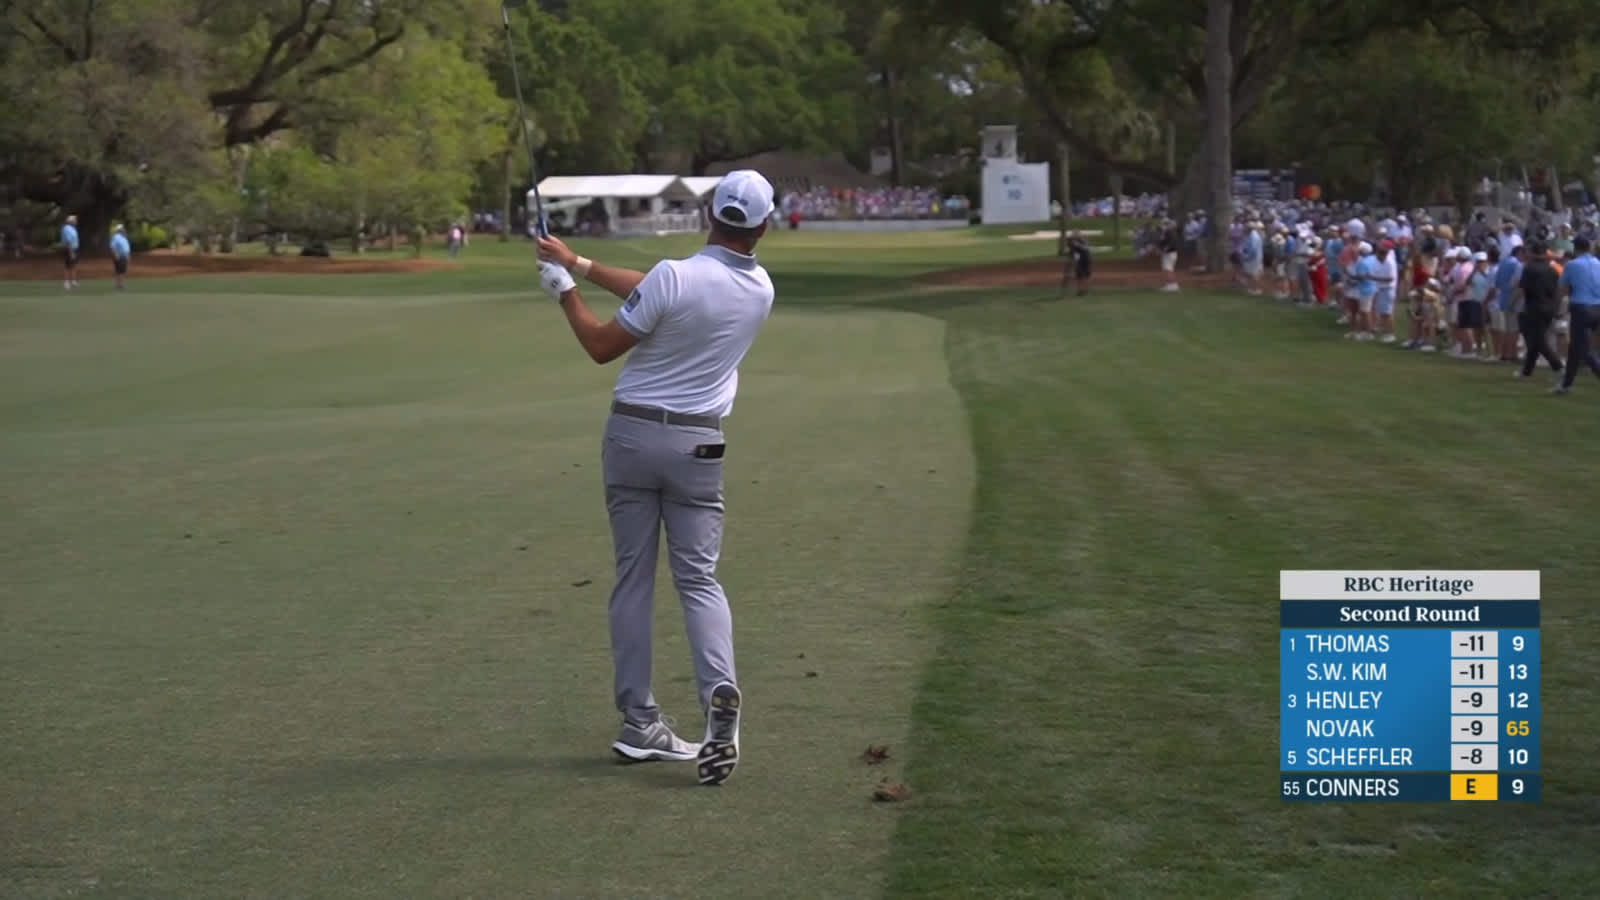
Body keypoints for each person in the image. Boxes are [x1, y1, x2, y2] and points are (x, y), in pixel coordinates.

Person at [531, 170, 776, 785]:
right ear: (764, 227)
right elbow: (657, 289)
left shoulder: (674, 276)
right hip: (699, 444)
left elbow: (601, 344)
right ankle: (720, 692)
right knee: (698, 579)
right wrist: (580, 261)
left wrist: (563, 288)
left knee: (634, 579)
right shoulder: (760, 289)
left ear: (708, 214)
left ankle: (639, 722)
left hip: (633, 439)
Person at [1553, 235, 1600, 393]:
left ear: (1575, 248)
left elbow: (1563, 289)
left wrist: (1557, 308)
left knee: (1582, 349)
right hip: (1597, 307)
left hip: (1581, 307)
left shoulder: (1572, 265)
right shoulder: (1597, 263)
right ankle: (1566, 384)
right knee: (1575, 347)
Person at [1515, 240, 1564, 379]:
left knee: (1538, 341)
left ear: (1533, 253)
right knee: (1535, 340)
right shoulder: (1553, 270)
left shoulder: (1529, 268)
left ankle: (1558, 367)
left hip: (1534, 307)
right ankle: (1527, 371)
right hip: (1549, 308)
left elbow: (1522, 289)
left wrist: (1513, 304)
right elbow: (1557, 291)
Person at [61, 215, 80, 289]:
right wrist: (71, 252)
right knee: (68, 266)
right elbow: (68, 241)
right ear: (71, 221)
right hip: (69, 249)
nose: (76, 221)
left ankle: (73, 281)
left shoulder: (73, 229)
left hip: (74, 248)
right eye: (75, 220)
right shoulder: (67, 229)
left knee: (73, 265)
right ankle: (66, 282)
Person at [109, 224, 131, 290]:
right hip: (119, 255)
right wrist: (115, 254)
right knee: (120, 270)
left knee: (122, 270)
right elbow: (112, 247)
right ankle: (120, 284)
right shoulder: (116, 237)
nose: (123, 230)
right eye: (122, 229)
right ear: (119, 230)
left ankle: (119, 284)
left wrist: (128, 255)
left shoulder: (124, 237)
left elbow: (126, 247)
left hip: (124, 255)